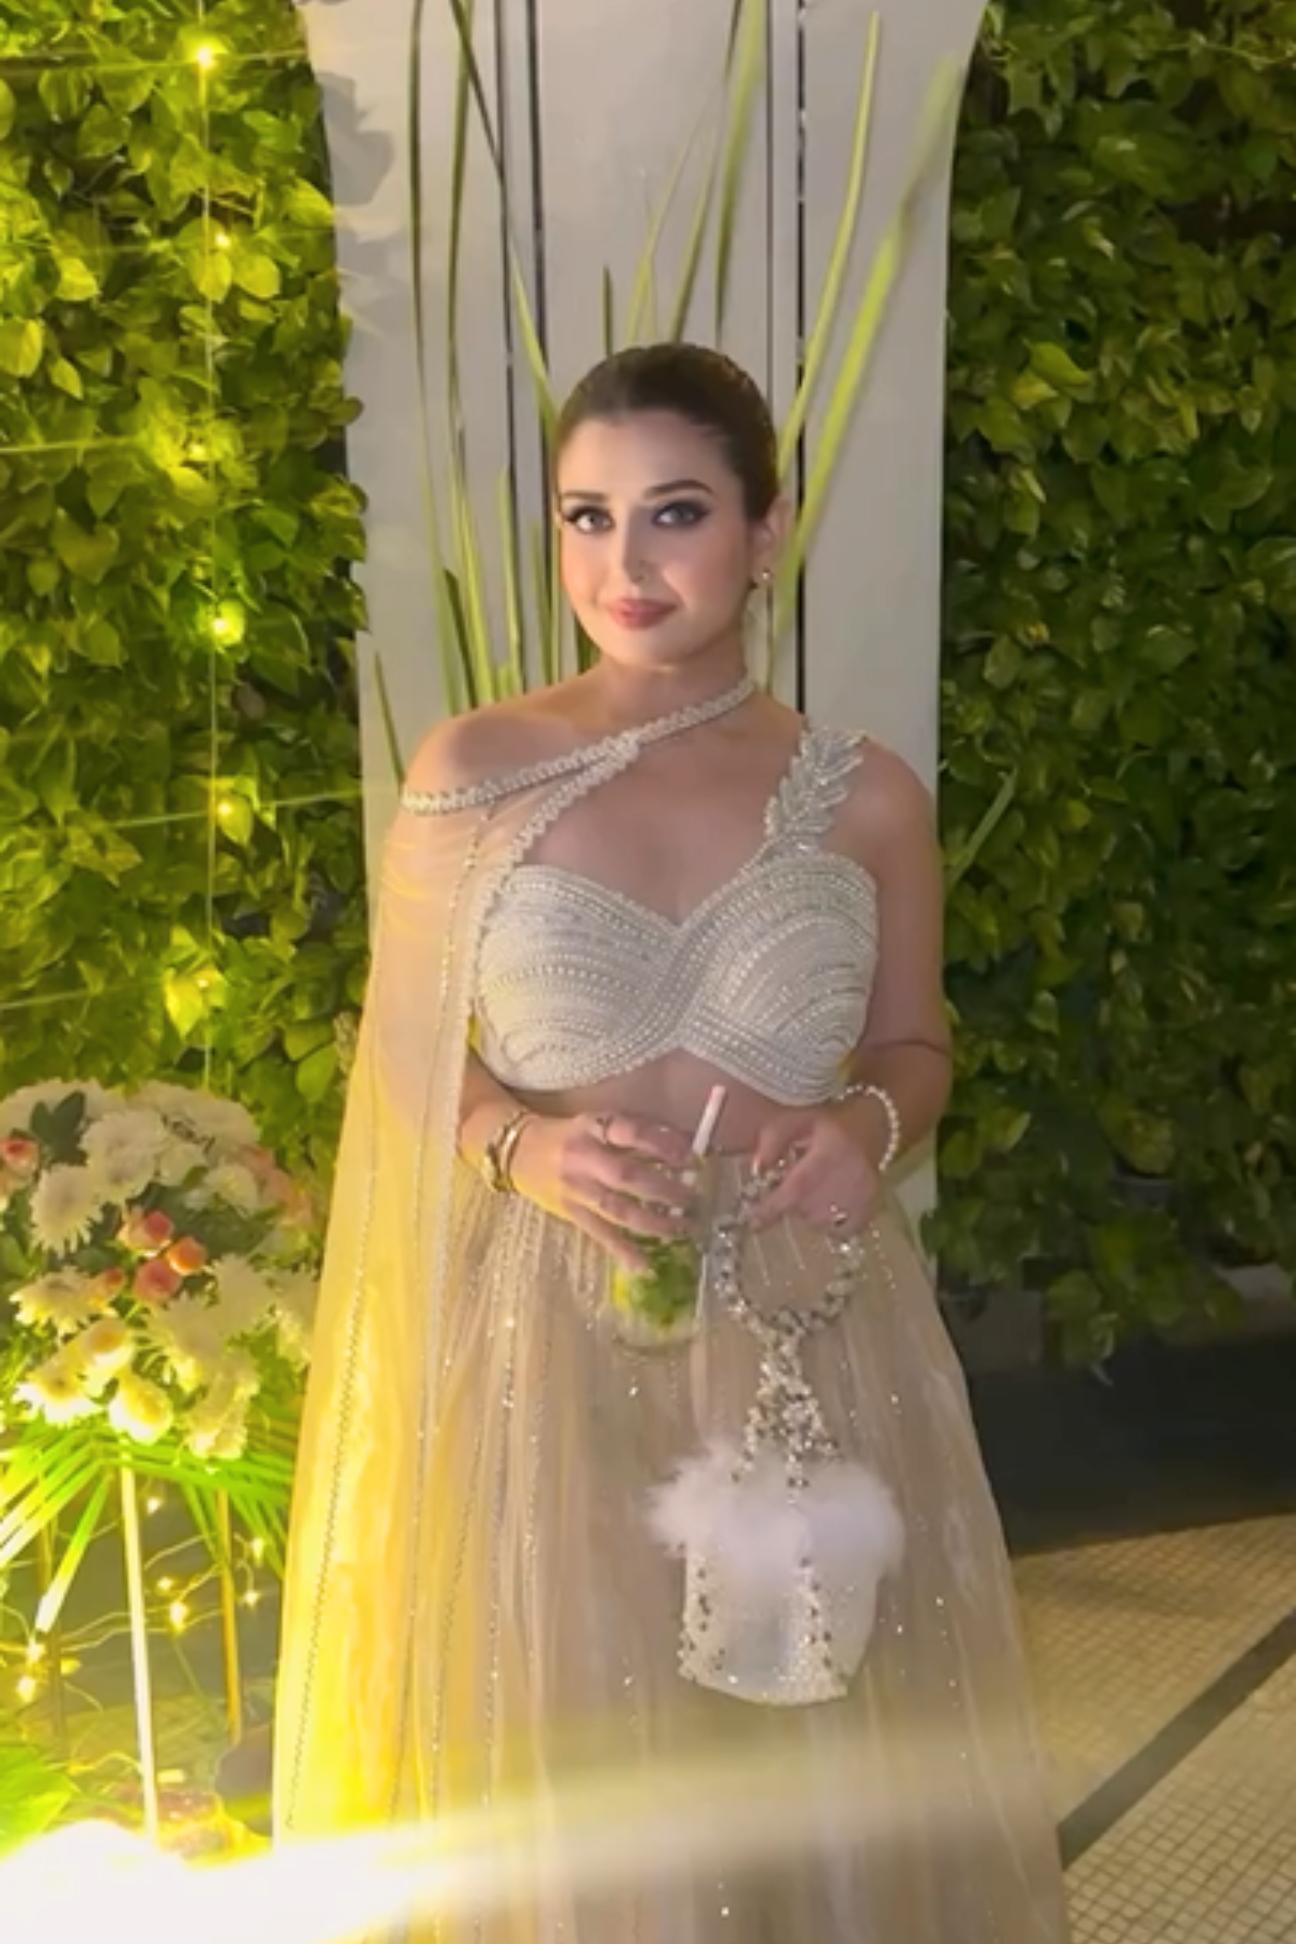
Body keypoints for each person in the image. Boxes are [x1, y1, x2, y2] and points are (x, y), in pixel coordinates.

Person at [274, 342, 1069, 1942]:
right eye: (588, 516)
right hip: (538, 1335)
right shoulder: (474, 771)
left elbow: (916, 1050)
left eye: (677, 512)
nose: (624, 563)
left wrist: (865, 1125)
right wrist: (523, 1151)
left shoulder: (867, 798)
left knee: (809, 1746)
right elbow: (411, 1056)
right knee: (569, 1726)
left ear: (767, 531)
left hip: (799, 1322)